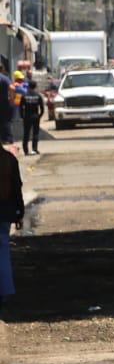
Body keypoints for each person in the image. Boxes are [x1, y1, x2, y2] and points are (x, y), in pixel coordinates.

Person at [0, 142, 21, 314]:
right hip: (5, 212)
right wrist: (19, 212)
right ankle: (6, 290)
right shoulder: (9, 160)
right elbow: (17, 188)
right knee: (3, 251)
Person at [17, 74, 44, 156]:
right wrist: (39, 115)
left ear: (28, 86)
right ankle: (35, 149)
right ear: (35, 86)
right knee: (35, 133)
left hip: (27, 117)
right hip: (35, 116)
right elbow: (42, 108)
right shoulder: (38, 96)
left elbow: (21, 107)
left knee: (26, 134)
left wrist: (22, 116)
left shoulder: (24, 96)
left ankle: (26, 151)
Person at [0, 67, 13, 147]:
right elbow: (12, 88)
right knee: (6, 121)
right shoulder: (4, 78)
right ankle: (7, 139)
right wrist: (11, 99)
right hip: (4, 102)